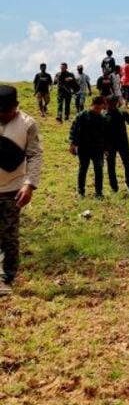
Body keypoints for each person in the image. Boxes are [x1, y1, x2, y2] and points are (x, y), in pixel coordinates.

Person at [0, 85, 43, 297]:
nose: (3, 117)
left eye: (6, 113)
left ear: (15, 107)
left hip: (12, 189)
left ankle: (6, 278)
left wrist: (29, 184)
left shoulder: (27, 124)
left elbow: (34, 155)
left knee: (9, 236)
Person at [70, 96, 108, 198]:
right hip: (84, 148)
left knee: (99, 170)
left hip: (98, 149)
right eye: (96, 108)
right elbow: (74, 130)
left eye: (100, 109)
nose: (98, 110)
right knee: (83, 169)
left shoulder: (102, 118)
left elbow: (105, 135)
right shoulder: (82, 116)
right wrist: (73, 144)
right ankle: (80, 192)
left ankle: (99, 192)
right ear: (91, 105)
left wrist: (106, 149)